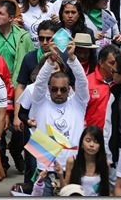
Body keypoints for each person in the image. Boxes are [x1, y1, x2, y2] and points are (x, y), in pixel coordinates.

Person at [31, 39, 89, 195]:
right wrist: (51, 60)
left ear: (69, 89)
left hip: (73, 168)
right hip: (46, 170)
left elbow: (83, 82)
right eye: (54, 89)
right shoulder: (40, 103)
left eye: (63, 90)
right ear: (48, 88)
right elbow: (39, 82)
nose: (58, 93)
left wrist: (72, 59)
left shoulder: (78, 103)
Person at [60, 125, 110, 196]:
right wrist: (60, 175)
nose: (91, 145)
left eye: (96, 142)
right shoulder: (72, 161)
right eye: (88, 140)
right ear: (82, 143)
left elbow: (106, 189)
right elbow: (65, 190)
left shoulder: (105, 164)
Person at [85, 44, 121, 130]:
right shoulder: (87, 82)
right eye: (112, 63)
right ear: (101, 62)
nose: (115, 67)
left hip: (116, 135)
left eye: (117, 64)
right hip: (93, 136)